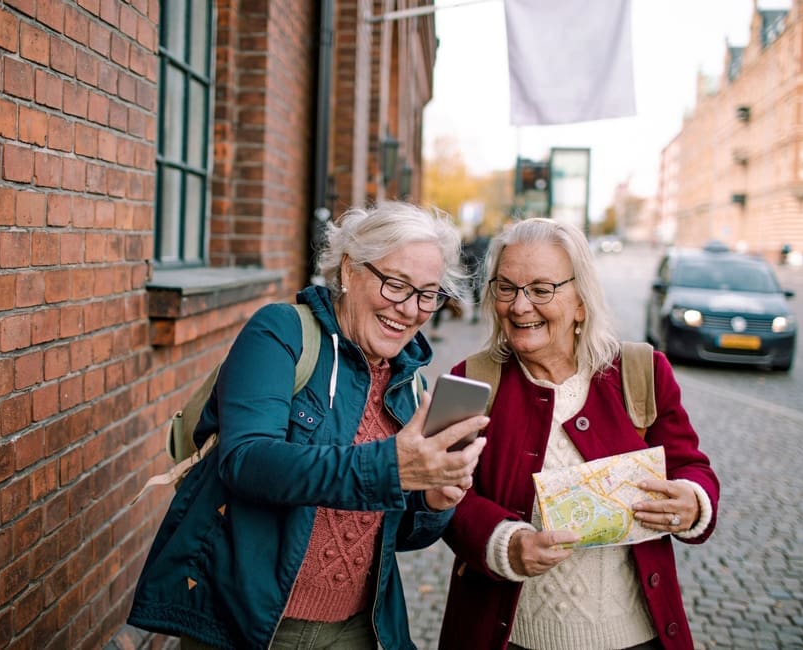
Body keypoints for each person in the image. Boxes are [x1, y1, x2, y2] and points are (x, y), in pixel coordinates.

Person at [127, 202, 489, 649]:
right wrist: (390, 468)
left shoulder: (408, 385)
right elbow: (246, 460)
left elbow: (395, 536)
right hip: (251, 626)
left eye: (428, 294)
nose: (410, 309)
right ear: (350, 270)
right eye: (396, 285)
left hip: (356, 630)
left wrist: (434, 500)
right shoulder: (280, 332)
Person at [438, 217, 720, 650]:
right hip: (512, 639)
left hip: (634, 637)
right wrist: (504, 543)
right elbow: (439, 497)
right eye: (506, 287)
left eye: (541, 289)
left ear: (581, 302)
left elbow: (690, 465)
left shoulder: (641, 372)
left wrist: (692, 500)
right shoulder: (469, 381)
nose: (519, 306)